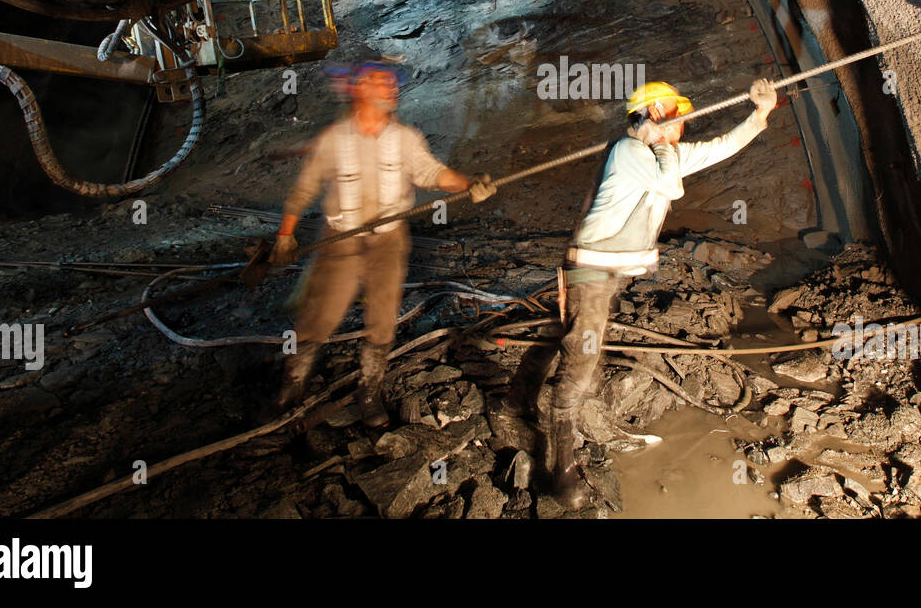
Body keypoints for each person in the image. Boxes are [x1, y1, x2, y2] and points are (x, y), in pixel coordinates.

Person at [504, 78, 778, 507]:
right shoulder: (628, 151)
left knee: (572, 341)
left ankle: (516, 400)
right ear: (653, 114)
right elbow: (671, 185)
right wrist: (661, 141)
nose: (685, 122)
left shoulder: (659, 153)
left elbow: (720, 146)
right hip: (591, 273)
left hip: (608, 271)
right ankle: (559, 471)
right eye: (676, 112)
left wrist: (759, 114)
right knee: (580, 365)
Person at [269, 59, 496, 427]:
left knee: (383, 318)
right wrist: (284, 235)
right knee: (319, 315)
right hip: (340, 240)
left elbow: (432, 173)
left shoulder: (405, 138)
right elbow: (304, 189)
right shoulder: (335, 139)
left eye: (393, 83)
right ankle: (291, 389)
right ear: (360, 88)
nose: (392, 88)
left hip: (388, 240)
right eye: (382, 82)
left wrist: (469, 184)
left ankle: (369, 393)